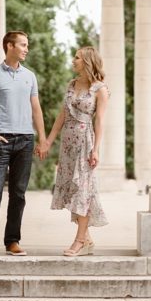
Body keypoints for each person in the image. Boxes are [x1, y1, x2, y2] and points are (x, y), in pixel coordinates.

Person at [0, 30, 47, 258]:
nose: (26, 49)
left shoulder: (30, 76)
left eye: (27, 45)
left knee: (19, 194)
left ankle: (12, 241)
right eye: (23, 45)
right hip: (0, 141)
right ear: (9, 46)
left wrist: (42, 139)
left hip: (25, 140)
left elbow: (36, 109)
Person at [44, 46, 110, 256]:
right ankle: (88, 239)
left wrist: (96, 150)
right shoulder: (72, 85)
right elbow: (61, 116)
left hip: (85, 143)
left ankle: (80, 240)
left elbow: (99, 121)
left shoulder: (100, 89)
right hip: (67, 145)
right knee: (74, 191)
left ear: (88, 62)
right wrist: (48, 141)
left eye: (77, 58)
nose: (73, 61)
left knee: (83, 190)